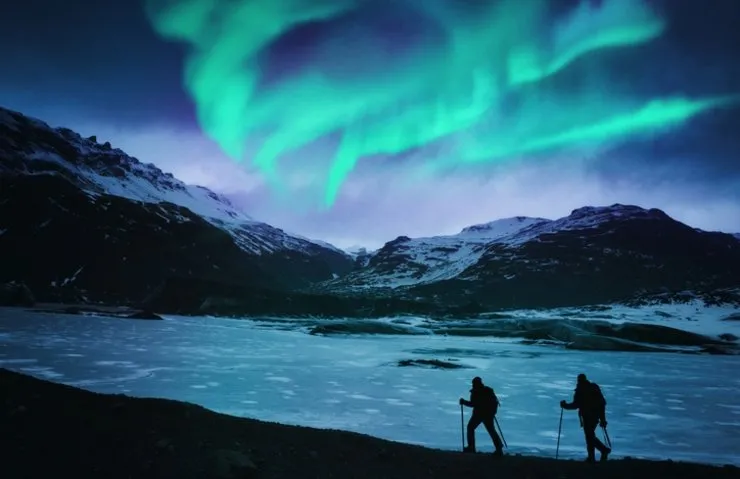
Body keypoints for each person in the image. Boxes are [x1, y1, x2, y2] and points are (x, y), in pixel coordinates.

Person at [560, 373, 611, 462]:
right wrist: (603, 419)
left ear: (579, 380)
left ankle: (601, 452)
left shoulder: (580, 390)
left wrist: (565, 406)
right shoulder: (593, 387)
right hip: (595, 416)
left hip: (587, 416)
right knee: (590, 436)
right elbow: (602, 403)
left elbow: (575, 405)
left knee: (589, 436)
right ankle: (595, 455)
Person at [459, 376, 504, 456]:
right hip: (488, 414)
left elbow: (473, 404)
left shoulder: (476, 392)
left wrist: (463, 402)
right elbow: (495, 402)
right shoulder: (488, 390)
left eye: (473, 384)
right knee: (491, 430)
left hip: (479, 414)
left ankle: (471, 447)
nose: (473, 385)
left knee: (470, 427)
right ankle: (499, 448)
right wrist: (493, 412)